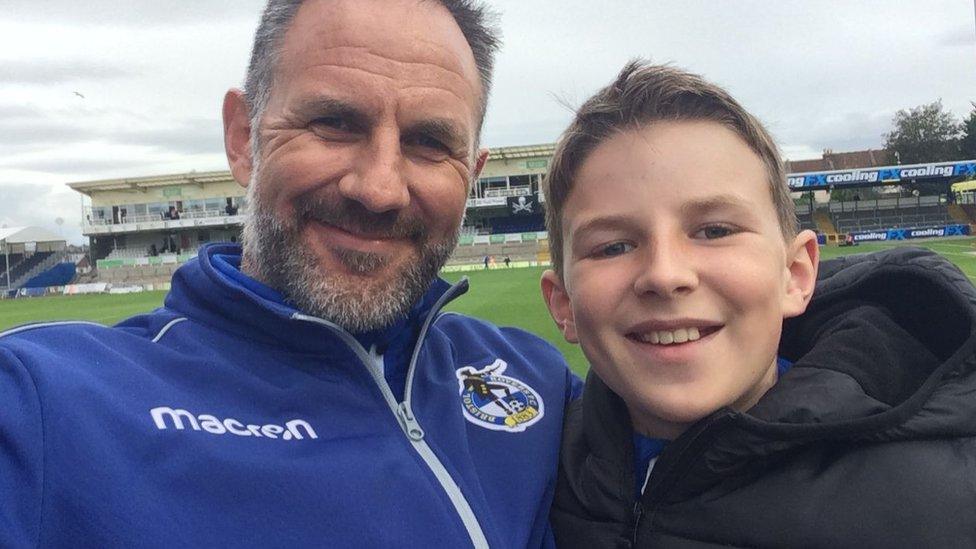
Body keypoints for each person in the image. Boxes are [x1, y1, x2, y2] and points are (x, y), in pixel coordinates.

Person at [0, 1, 580, 547]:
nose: (379, 190)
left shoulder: (541, 387)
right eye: (334, 123)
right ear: (242, 139)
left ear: (472, 173)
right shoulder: (44, 403)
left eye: (430, 143)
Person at [540, 61, 976, 547]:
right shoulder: (529, 471)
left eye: (715, 231)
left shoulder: (941, 506)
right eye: (613, 246)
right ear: (563, 304)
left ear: (795, 274)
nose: (665, 275)